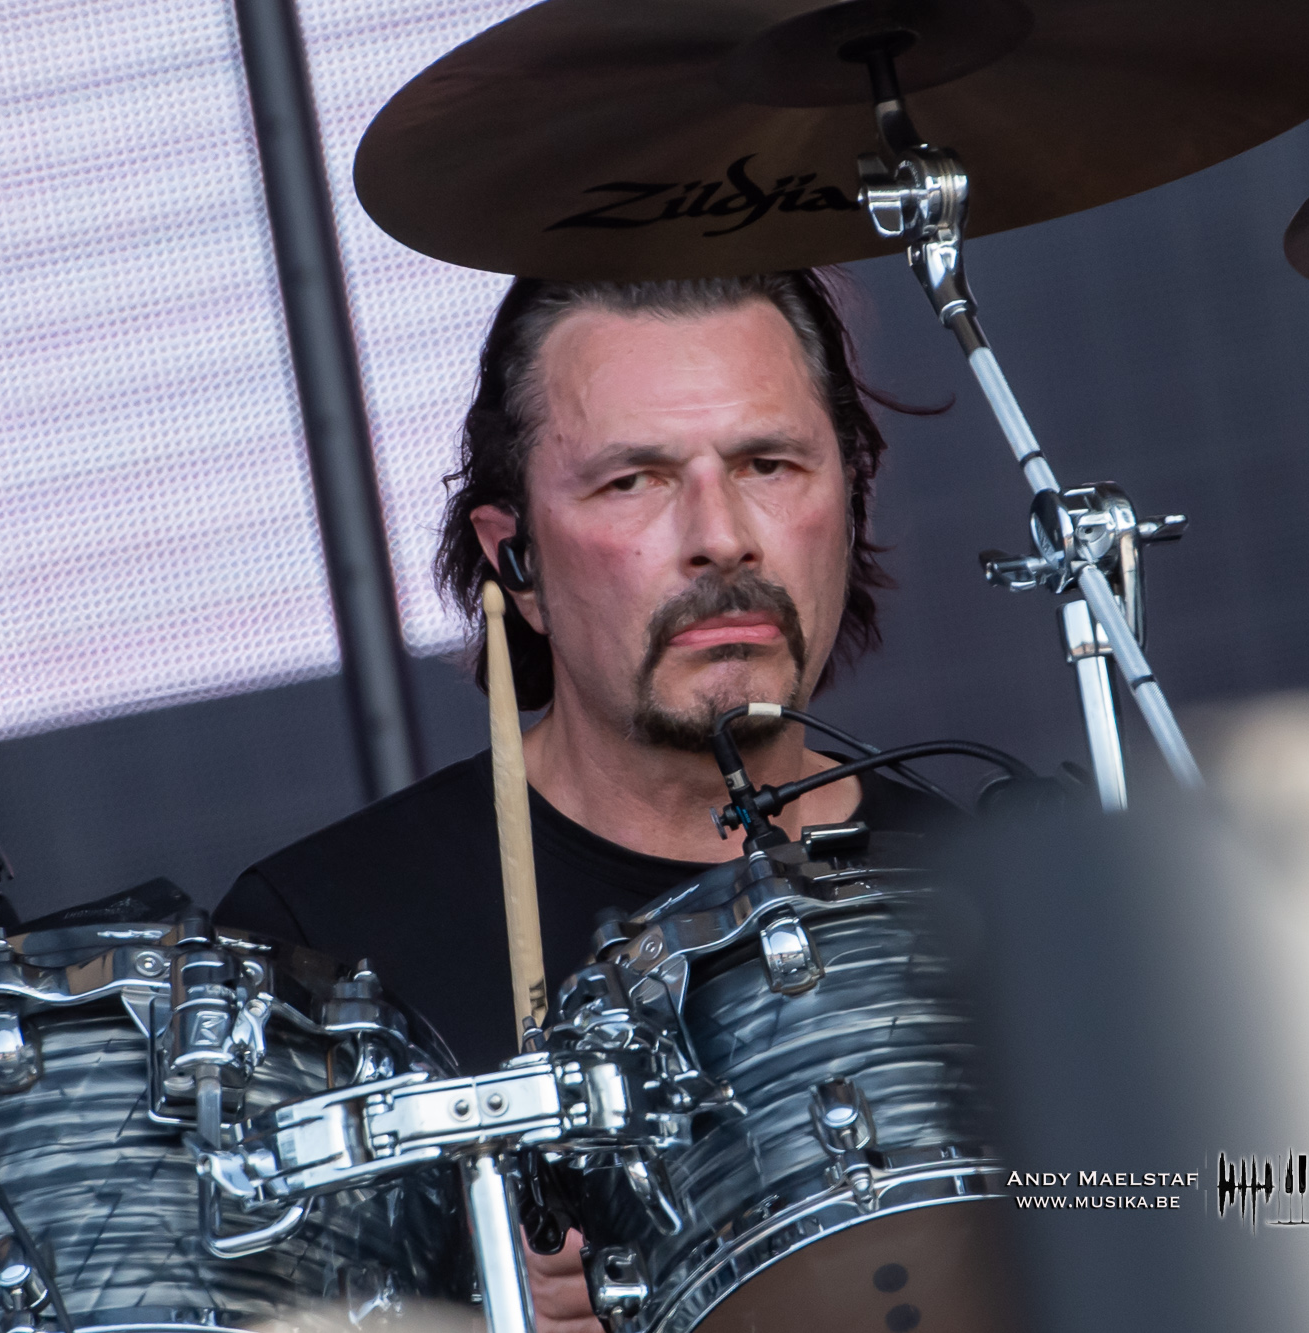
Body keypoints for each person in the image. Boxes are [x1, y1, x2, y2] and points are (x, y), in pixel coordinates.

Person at [216, 272, 953, 1333]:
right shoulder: (319, 952)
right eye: (632, 481)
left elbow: (1170, 1208)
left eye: (768, 464)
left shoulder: (993, 889)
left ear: (849, 500)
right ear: (512, 560)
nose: (720, 535)